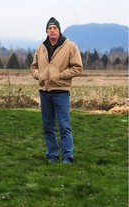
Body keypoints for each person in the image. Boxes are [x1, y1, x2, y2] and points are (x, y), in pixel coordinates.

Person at [30, 17, 83, 163]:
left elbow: (77, 68)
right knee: (48, 127)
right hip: (44, 92)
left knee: (64, 126)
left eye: (55, 28)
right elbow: (33, 67)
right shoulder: (41, 48)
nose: (52, 30)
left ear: (59, 30)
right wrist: (38, 75)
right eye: (50, 28)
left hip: (61, 92)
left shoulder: (70, 46)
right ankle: (52, 156)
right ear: (47, 31)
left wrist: (60, 76)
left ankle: (67, 157)